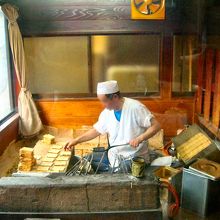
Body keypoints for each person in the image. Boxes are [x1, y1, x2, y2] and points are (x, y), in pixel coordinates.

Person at [64, 80, 161, 169]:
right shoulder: (107, 113)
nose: (103, 105)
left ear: (115, 97)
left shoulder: (135, 108)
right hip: (114, 154)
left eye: (105, 101)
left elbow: (156, 126)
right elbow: (96, 130)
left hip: (133, 157)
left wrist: (140, 138)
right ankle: (111, 169)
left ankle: (113, 171)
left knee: (120, 172)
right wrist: (76, 140)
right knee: (86, 159)